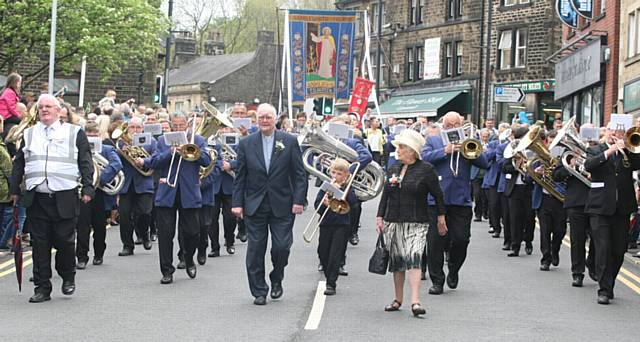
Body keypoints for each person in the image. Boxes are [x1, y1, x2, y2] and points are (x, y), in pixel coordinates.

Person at [10, 94, 94, 303]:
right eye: (41, 107)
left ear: (59, 110)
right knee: (40, 243)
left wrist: (88, 188)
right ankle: (42, 287)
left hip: (64, 194)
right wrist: (14, 188)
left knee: (65, 242)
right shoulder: (29, 134)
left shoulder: (74, 132)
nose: (44, 110)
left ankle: (67, 276)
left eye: (49, 107)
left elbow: (85, 161)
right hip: (37, 197)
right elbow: (20, 163)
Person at [231, 103, 307, 306]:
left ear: (275, 120)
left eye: (268, 117)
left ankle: (277, 277)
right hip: (254, 205)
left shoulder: (289, 141)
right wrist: (237, 203)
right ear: (256, 120)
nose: (265, 121)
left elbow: (300, 175)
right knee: (255, 250)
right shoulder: (246, 143)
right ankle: (259, 290)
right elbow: (240, 177)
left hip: (283, 204)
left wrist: (299, 200)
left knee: (281, 247)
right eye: (261, 117)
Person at [376, 129, 446, 317]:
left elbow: (438, 195)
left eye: (402, 147)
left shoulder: (426, 170)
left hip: (417, 221)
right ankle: (398, 299)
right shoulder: (393, 168)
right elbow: (386, 195)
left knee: (414, 258)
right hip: (394, 220)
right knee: (398, 261)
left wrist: (441, 217)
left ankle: (415, 301)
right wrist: (380, 216)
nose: (397, 150)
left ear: (412, 151)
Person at [422, 112, 489, 294]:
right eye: (449, 125)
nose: (452, 127)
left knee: (461, 240)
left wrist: (469, 149)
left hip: (461, 200)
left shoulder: (469, 141)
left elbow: (485, 163)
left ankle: (453, 268)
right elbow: (424, 158)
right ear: (443, 126)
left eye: (456, 124)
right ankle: (437, 280)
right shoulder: (433, 140)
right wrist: (445, 150)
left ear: (461, 125)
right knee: (435, 242)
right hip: (436, 200)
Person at [143, 113, 211, 284]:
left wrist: (193, 148)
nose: (179, 128)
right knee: (165, 234)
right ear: (172, 126)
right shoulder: (163, 141)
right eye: (176, 125)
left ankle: (188, 259)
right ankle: (167, 270)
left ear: (187, 125)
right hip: (167, 192)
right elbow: (154, 162)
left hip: (189, 192)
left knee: (193, 232)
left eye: (182, 125)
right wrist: (170, 152)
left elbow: (206, 161)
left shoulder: (198, 139)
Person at [584, 123, 640, 304]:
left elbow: (637, 165)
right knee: (603, 248)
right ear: (605, 132)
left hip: (622, 208)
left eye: (619, 132)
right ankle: (604, 289)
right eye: (611, 131)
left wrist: (628, 150)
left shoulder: (629, 151)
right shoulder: (595, 149)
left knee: (619, 250)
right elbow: (590, 165)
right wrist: (610, 151)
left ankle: (609, 281)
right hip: (600, 207)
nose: (614, 134)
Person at [75, 122, 123, 269]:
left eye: (94, 135)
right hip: (83, 191)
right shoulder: (77, 150)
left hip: (101, 193)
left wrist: (99, 180)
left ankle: (99, 254)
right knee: (82, 225)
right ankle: (82, 257)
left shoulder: (107, 149)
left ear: (99, 136)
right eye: (88, 135)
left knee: (99, 225)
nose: (91, 137)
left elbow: (116, 165)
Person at [314, 158, 357, 296]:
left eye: (339, 174)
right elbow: (317, 206)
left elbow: (354, 206)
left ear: (346, 175)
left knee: (335, 254)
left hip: (341, 225)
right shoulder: (327, 187)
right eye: (333, 172)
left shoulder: (348, 189)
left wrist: (344, 195)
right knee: (323, 252)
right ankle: (328, 274)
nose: (335, 176)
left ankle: (331, 283)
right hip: (326, 223)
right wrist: (324, 203)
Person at [116, 116, 157, 255]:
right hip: (127, 183)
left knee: (145, 213)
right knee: (125, 215)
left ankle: (144, 233)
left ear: (143, 128)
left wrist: (144, 161)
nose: (135, 130)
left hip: (144, 182)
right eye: (132, 127)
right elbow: (116, 158)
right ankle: (127, 245)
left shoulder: (151, 141)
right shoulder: (121, 142)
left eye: (138, 127)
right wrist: (123, 151)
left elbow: (156, 157)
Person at [0, 73, 23, 138]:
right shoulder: (10, 92)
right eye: (19, 82)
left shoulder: (8, 91)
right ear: (15, 82)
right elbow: (11, 107)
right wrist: (18, 115)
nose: (20, 84)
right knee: (21, 121)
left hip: (6, 115)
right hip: (6, 116)